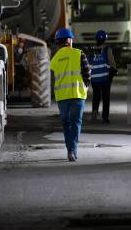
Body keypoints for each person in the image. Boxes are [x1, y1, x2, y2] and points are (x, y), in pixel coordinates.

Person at [50, 28, 91, 162]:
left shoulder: (55, 59)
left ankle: (70, 149)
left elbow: (52, 77)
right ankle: (72, 150)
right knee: (76, 122)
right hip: (78, 95)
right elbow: (87, 73)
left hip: (62, 97)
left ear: (58, 42)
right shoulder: (79, 54)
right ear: (69, 40)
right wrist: (85, 85)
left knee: (66, 124)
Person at [89, 30, 117, 123]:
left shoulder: (92, 50)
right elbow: (112, 62)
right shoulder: (107, 49)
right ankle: (105, 117)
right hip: (105, 78)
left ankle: (94, 111)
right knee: (106, 97)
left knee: (96, 96)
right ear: (105, 39)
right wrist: (113, 71)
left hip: (94, 79)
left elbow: (89, 63)